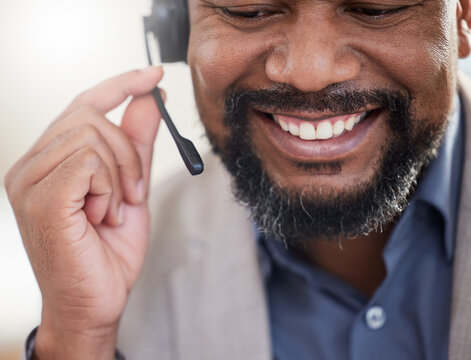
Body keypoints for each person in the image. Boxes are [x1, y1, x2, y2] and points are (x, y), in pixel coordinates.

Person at [5, 0, 471, 359]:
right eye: (248, 9)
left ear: (462, 15)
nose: (310, 72)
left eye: (375, 8)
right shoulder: (112, 263)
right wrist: (79, 339)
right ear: (177, 26)